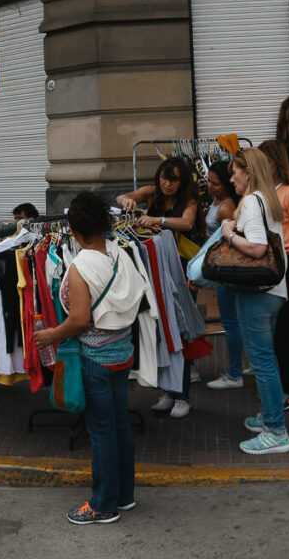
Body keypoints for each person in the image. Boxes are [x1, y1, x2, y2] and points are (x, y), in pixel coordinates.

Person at [34, 191, 148, 525]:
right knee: (119, 426)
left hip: (96, 359)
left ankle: (102, 505)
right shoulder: (120, 253)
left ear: (74, 230)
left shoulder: (80, 266)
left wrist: (52, 335)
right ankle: (123, 496)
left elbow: (80, 318)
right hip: (123, 353)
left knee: (101, 432)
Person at [116, 157, 203, 418]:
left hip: (181, 271)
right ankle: (167, 391)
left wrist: (157, 220)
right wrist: (127, 201)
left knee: (179, 331)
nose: (166, 183)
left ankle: (182, 395)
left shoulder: (189, 200)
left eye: (173, 179)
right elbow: (122, 196)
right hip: (153, 269)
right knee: (159, 330)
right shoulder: (151, 193)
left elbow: (186, 223)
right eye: (164, 177)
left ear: (182, 181)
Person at [223, 147, 289, 456]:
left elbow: (256, 248)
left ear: (247, 172)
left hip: (257, 294)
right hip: (273, 291)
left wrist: (228, 233)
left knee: (262, 363)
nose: (231, 179)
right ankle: (269, 417)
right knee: (268, 360)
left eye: (234, 172)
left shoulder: (251, 201)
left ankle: (276, 431)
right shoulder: (267, 199)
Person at [258, 140, 289, 411]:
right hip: (270, 263)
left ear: (276, 164)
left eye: (264, 162)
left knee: (281, 328)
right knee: (271, 328)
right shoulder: (263, 192)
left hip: (287, 263)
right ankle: (278, 384)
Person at [204, 162, 244, 391]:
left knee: (230, 322)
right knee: (235, 321)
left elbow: (228, 242)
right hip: (224, 268)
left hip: (227, 269)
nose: (209, 186)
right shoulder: (218, 202)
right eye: (208, 181)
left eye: (214, 183)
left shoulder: (226, 208)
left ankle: (234, 373)